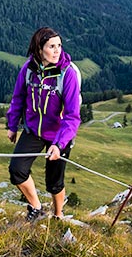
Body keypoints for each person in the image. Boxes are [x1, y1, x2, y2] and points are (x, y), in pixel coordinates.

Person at [6, 27, 82, 221]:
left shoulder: (68, 74)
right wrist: (12, 125)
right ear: (39, 49)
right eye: (52, 46)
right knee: (17, 170)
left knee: (54, 182)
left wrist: (59, 144)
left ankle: (58, 215)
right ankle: (37, 207)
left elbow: (73, 116)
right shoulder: (28, 69)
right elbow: (18, 98)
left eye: (59, 46)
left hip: (59, 135)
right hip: (33, 130)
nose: (58, 51)